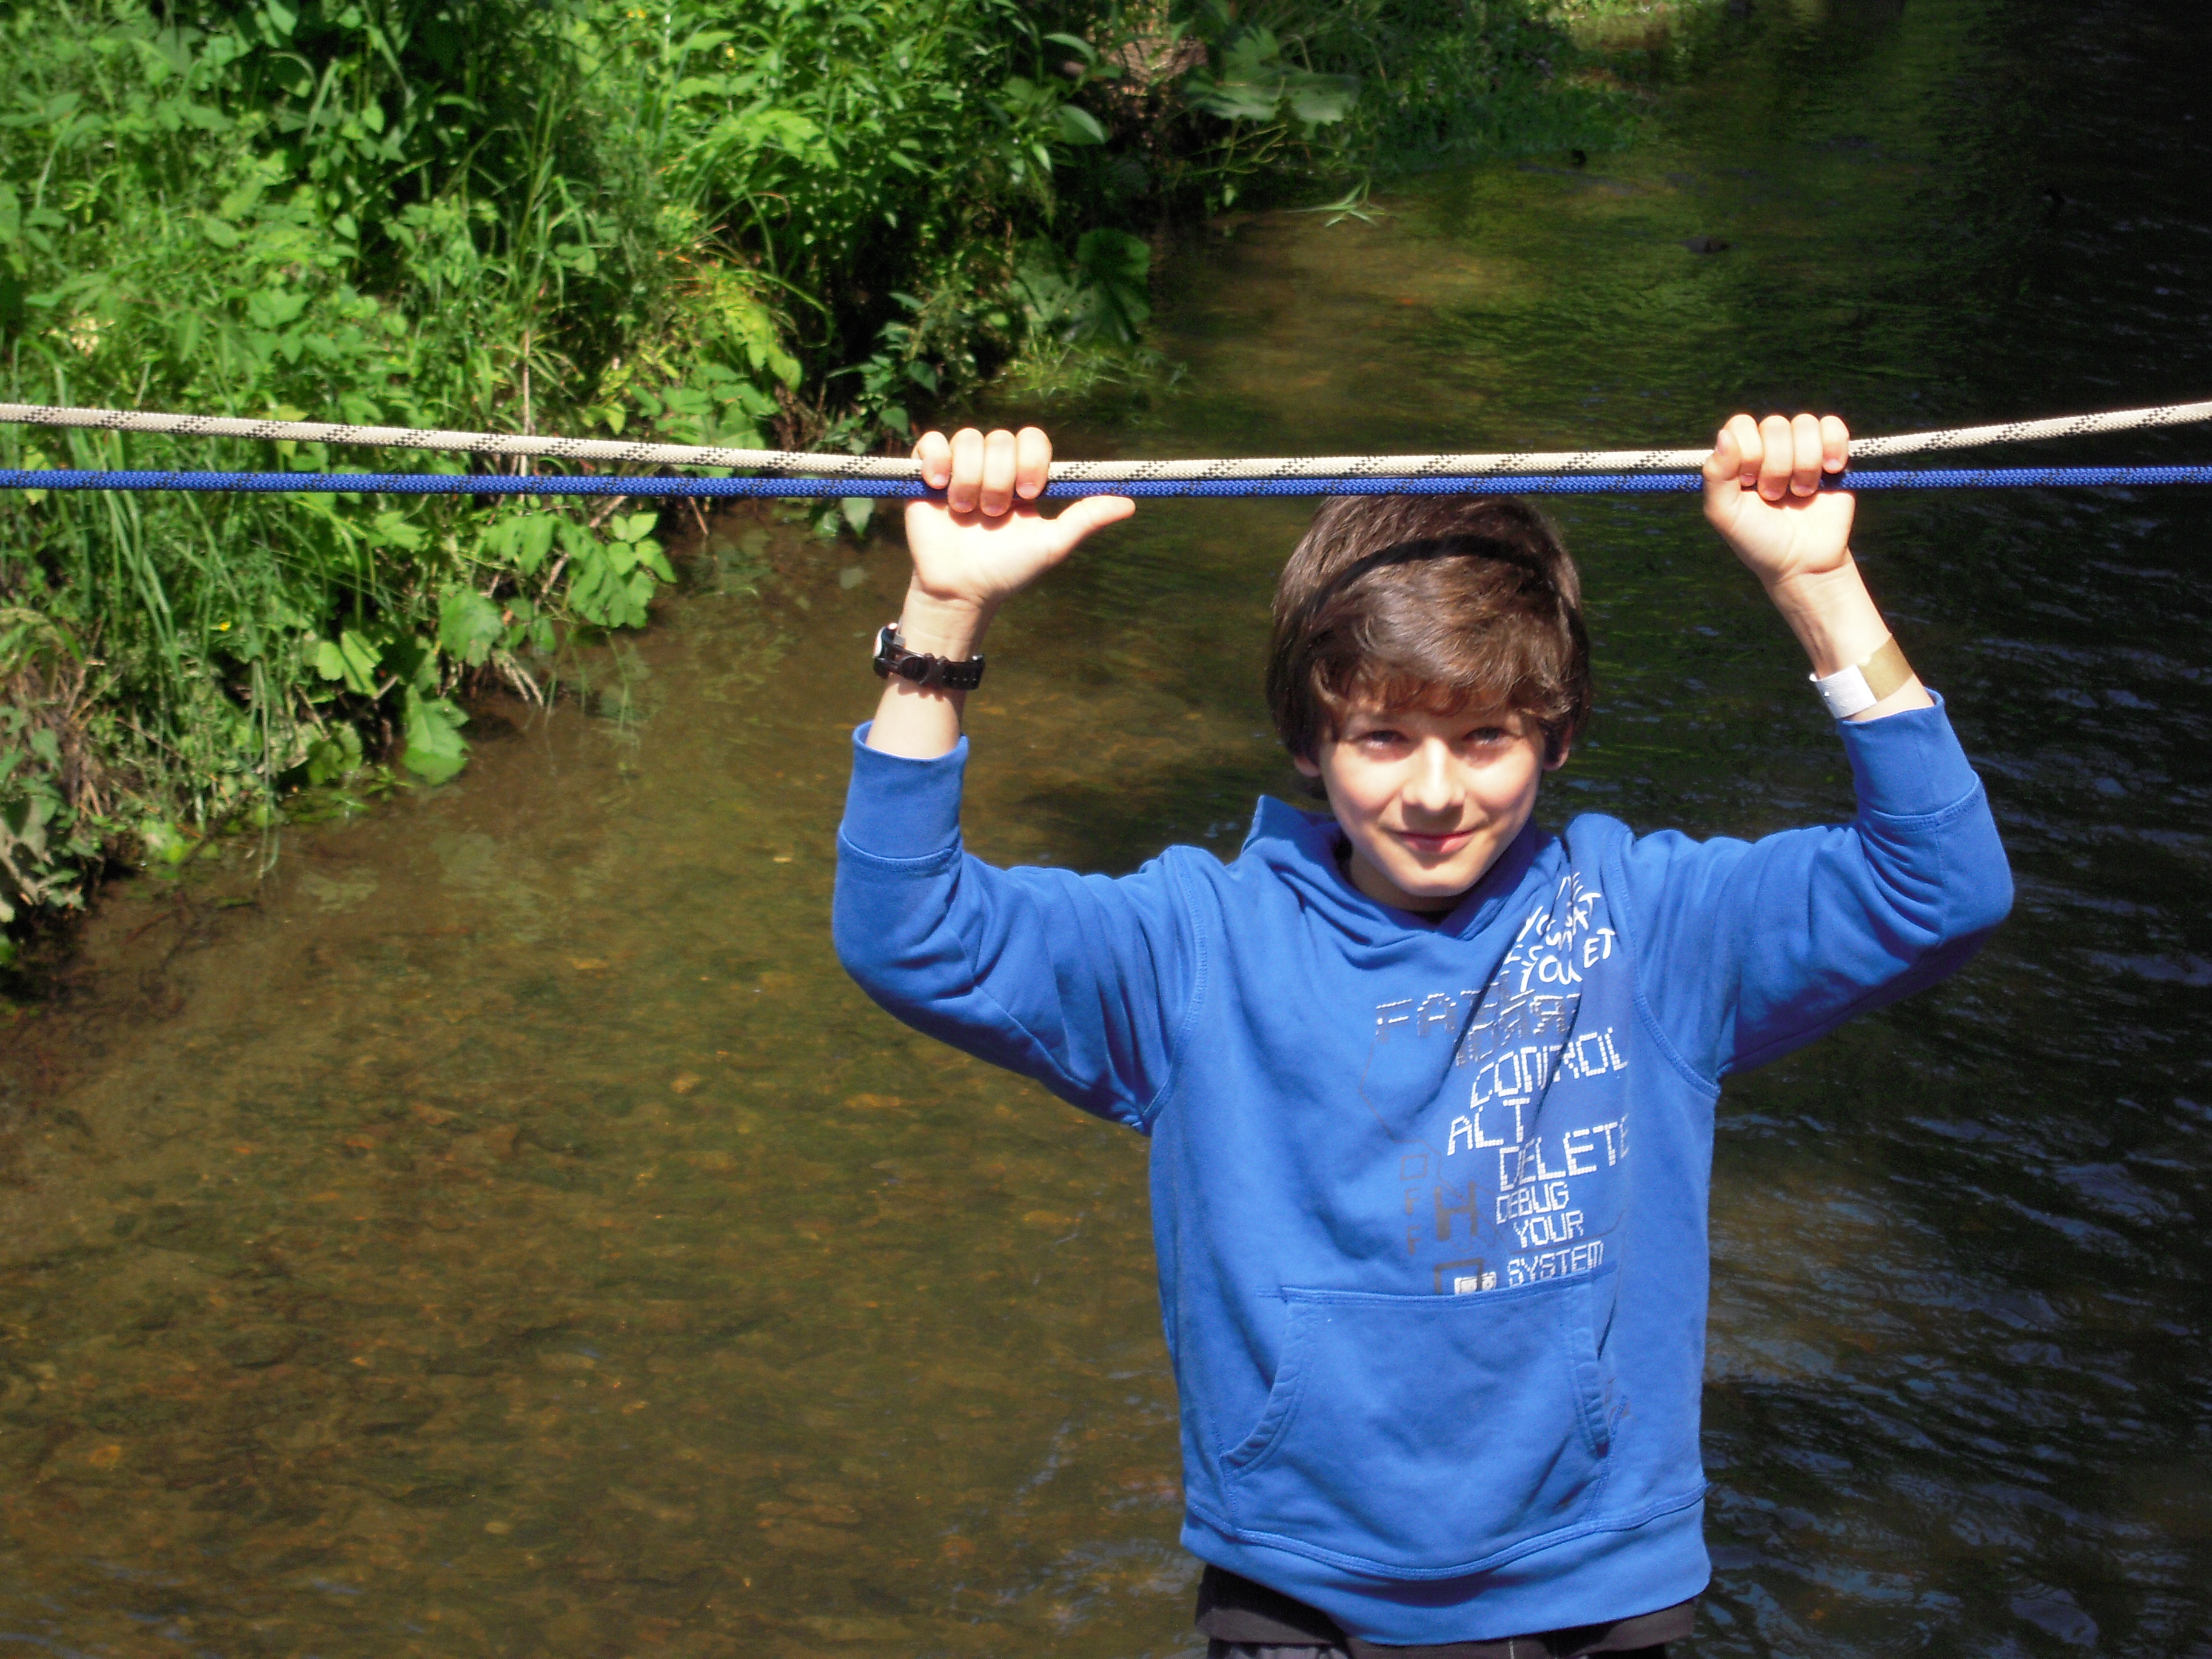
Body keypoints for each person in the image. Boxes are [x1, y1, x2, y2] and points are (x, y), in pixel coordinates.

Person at [833, 417, 2012, 1657]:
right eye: (1383, 737)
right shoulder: (1192, 944)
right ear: (1309, 742)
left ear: (1558, 736)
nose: (1436, 793)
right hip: (1298, 1598)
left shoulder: (1651, 926)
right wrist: (943, 616)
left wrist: (1818, 583)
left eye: (1486, 737)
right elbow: (912, 935)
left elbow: (1942, 888)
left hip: (1598, 1591)